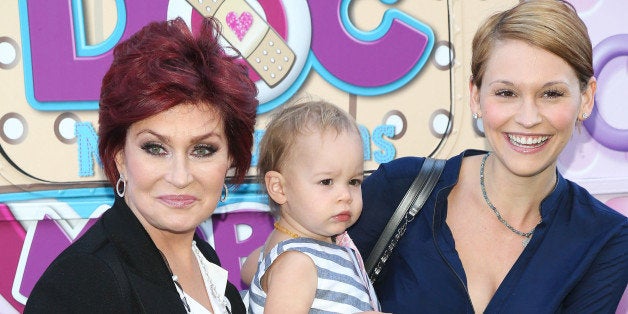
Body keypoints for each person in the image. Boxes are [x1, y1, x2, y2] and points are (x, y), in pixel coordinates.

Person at [348, 0, 628, 313]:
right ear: (475, 96)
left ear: (586, 98)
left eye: (551, 93)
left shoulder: (605, 239)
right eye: (506, 93)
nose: (528, 117)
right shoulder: (398, 189)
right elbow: (299, 282)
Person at [24, 16, 257, 314]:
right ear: (120, 155)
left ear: (230, 159)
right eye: (155, 148)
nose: (180, 176)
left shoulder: (205, 261)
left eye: (202, 150)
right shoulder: (84, 282)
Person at [247, 100, 382, 313]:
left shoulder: (294, 253)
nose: (345, 195)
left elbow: (249, 269)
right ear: (279, 188)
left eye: (354, 181)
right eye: (326, 182)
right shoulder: (297, 264)